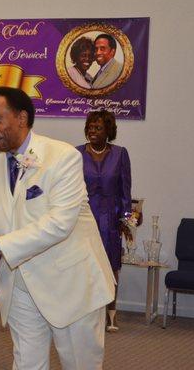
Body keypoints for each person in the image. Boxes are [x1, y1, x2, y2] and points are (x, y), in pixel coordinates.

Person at [0, 87, 115, 370]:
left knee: (80, 364)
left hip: (71, 282)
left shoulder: (62, 156)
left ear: (21, 117)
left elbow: (59, 223)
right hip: (20, 284)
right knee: (27, 364)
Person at [76, 110, 133, 332]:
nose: (92, 131)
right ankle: (83, 312)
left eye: (97, 127)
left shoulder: (120, 154)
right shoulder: (76, 153)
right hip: (83, 216)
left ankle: (111, 314)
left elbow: (125, 191)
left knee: (110, 265)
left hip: (109, 217)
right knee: (82, 264)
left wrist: (126, 220)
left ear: (108, 131)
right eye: (90, 127)